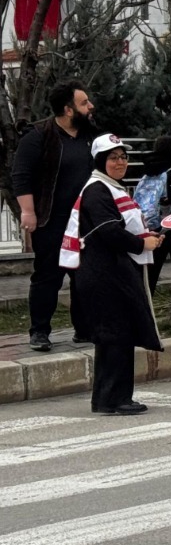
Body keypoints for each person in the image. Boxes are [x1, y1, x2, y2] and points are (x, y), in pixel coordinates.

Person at [58, 135, 163, 414]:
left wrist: (147, 237)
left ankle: (109, 399)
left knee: (115, 334)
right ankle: (114, 399)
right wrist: (141, 244)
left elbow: (120, 228)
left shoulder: (109, 187)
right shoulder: (97, 190)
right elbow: (108, 231)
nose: (120, 162)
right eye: (113, 157)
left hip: (110, 270)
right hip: (102, 273)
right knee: (115, 334)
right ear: (100, 161)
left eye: (123, 157)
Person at [12, 80, 97, 351]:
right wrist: (28, 211)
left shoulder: (91, 135)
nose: (91, 106)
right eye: (84, 103)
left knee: (84, 276)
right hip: (51, 220)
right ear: (68, 110)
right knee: (48, 277)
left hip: (85, 221)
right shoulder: (39, 136)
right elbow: (21, 175)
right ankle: (39, 331)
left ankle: (84, 329)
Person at [131, 136, 171, 293]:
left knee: (149, 272)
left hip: (146, 224)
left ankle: (143, 298)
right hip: (167, 225)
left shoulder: (149, 170)